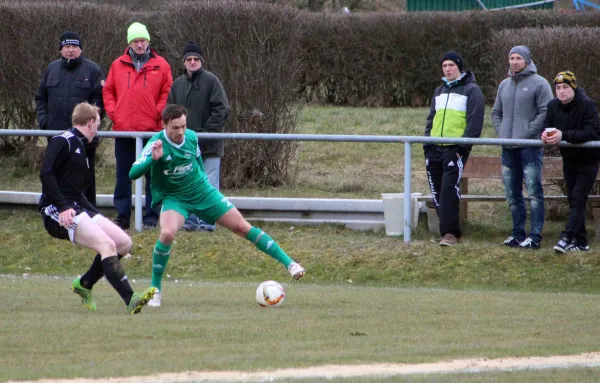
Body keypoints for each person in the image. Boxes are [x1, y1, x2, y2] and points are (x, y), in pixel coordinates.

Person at [130, 105, 305, 307]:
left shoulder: (192, 137)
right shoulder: (155, 144)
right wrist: (152, 160)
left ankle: (290, 264)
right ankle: (155, 291)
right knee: (167, 234)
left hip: (202, 192)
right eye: (175, 127)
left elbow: (197, 161)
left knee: (242, 227)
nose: (180, 132)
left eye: (184, 126)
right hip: (175, 198)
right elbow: (133, 174)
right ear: (164, 125)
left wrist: (204, 183)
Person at [39, 102, 156, 314]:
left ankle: (84, 284)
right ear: (91, 123)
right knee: (107, 245)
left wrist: (95, 214)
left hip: (76, 206)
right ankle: (131, 300)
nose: (98, 131)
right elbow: (46, 174)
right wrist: (62, 206)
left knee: (123, 243)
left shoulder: (82, 147)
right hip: (56, 211)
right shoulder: (62, 140)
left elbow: (75, 191)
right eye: (98, 125)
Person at [103, 22, 173, 230]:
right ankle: (123, 215)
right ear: (129, 43)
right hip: (124, 130)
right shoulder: (117, 65)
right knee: (123, 175)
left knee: (153, 176)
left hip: (152, 131)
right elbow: (108, 91)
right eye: (136, 41)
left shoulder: (162, 65)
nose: (140, 44)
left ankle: (152, 215)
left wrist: (158, 113)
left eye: (143, 40)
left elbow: (167, 92)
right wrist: (115, 114)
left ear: (148, 41)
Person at [492, 45, 553, 249]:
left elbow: (546, 112)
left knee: (534, 192)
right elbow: (496, 113)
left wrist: (526, 134)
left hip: (530, 147)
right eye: (511, 58)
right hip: (508, 148)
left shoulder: (540, 83)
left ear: (527, 60)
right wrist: (503, 135)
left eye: (518, 58)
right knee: (512, 193)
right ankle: (518, 234)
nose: (514, 62)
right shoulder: (504, 85)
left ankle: (535, 236)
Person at [35, 31, 105, 206]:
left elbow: (100, 102)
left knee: (85, 177)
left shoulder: (93, 70)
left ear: (80, 49)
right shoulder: (51, 69)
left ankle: (88, 210)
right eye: (67, 46)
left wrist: (91, 126)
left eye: (74, 46)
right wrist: (45, 122)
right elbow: (40, 99)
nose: (71, 50)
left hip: (84, 139)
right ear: (61, 49)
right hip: (56, 136)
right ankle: (52, 208)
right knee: (54, 172)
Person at [423, 51, 485, 246]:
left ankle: (450, 233)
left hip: (454, 150)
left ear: (459, 67)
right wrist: (427, 142)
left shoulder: (472, 90)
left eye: (451, 65)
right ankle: (447, 231)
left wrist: (462, 147)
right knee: (437, 191)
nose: (448, 69)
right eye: (444, 66)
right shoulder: (439, 91)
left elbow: (475, 122)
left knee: (448, 190)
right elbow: (431, 119)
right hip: (434, 149)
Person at [167, 41, 230, 232]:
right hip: (184, 145)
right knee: (187, 183)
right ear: (184, 62)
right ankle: (190, 221)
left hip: (209, 145)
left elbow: (221, 109)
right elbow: (170, 110)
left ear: (201, 61)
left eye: (196, 59)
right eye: (189, 59)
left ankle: (208, 222)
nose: (192, 62)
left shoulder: (212, 81)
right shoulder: (178, 84)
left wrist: (204, 134)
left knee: (209, 184)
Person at [541, 71, 600, 253]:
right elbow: (548, 126)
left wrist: (564, 135)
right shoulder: (552, 106)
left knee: (579, 198)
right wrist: (545, 136)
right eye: (558, 88)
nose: (561, 91)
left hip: (588, 159)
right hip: (569, 159)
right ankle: (581, 241)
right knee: (572, 199)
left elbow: (592, 133)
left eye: (565, 87)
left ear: (573, 88)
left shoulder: (587, 105)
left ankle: (566, 237)